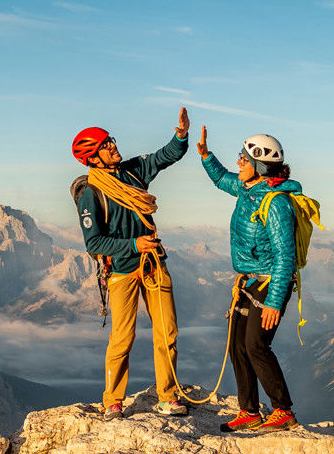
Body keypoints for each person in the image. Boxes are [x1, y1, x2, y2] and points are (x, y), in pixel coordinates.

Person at [70, 108, 191, 417]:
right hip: (122, 270)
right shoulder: (91, 194)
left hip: (153, 264)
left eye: (111, 140)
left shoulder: (132, 172)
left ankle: (168, 395)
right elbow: (94, 243)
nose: (113, 146)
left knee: (168, 332)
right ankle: (112, 399)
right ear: (93, 157)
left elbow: (163, 157)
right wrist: (134, 243)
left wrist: (180, 136)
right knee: (123, 337)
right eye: (106, 144)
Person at [198, 127, 302, 432]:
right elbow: (220, 179)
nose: (239, 163)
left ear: (259, 166)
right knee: (237, 346)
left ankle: (283, 410)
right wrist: (205, 155)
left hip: (270, 283)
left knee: (256, 345)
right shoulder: (248, 190)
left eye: (244, 159)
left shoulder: (277, 203)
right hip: (248, 282)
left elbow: (286, 257)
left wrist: (273, 301)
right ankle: (250, 411)